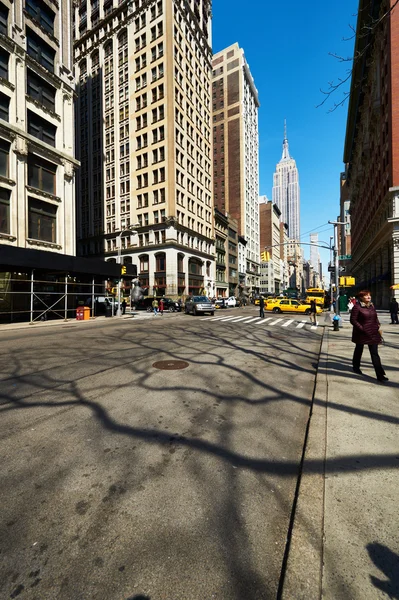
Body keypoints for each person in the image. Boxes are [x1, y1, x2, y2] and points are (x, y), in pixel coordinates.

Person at [350, 290, 388, 382]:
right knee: (359, 349)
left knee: (375, 353)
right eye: (366, 296)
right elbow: (353, 320)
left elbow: (375, 317)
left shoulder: (372, 306)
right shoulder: (357, 307)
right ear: (361, 297)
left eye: (369, 295)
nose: (369, 297)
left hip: (373, 333)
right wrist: (362, 329)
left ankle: (380, 375)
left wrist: (378, 324)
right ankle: (356, 367)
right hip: (361, 333)